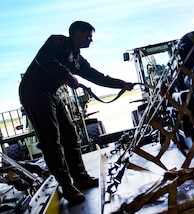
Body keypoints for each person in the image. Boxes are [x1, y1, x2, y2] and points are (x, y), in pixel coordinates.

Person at [19, 21, 133, 205]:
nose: (91, 40)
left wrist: (121, 84)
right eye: (89, 36)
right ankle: (67, 187)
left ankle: (80, 177)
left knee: (70, 134)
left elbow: (97, 77)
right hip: (34, 91)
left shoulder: (77, 59)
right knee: (51, 140)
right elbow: (45, 59)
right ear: (77, 34)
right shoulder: (57, 43)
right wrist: (66, 75)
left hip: (51, 93)